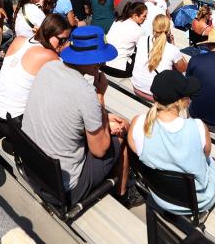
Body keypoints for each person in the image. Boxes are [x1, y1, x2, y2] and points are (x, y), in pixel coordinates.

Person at [22, 26, 138, 206]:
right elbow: (99, 150)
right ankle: (123, 195)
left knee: (112, 125)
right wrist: (99, 96)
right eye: (98, 60)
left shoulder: (49, 68)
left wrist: (104, 120)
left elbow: (67, 114)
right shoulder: (86, 94)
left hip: (34, 167)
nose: (101, 64)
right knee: (121, 135)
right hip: (63, 188)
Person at [128, 69, 215, 214]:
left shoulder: (138, 123)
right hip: (198, 201)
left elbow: (138, 152)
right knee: (212, 162)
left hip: (162, 197)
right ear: (180, 102)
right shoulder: (197, 127)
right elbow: (206, 154)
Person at [0, 14, 72, 142]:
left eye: (67, 40)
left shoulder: (20, 40)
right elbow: (70, 81)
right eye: (62, 40)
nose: (64, 43)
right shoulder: (49, 55)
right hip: (14, 124)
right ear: (48, 33)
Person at [131, 14, 187, 100]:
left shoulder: (142, 40)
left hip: (137, 87)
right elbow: (183, 68)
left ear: (153, 28)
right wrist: (173, 45)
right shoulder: (172, 49)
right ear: (168, 30)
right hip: (156, 95)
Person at [103, 1, 147, 78]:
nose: (146, 19)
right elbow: (144, 51)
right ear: (135, 15)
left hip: (104, 64)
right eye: (144, 16)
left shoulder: (118, 21)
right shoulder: (139, 30)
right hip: (119, 70)